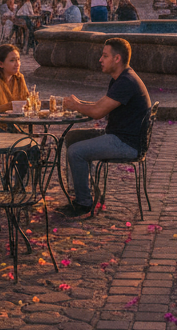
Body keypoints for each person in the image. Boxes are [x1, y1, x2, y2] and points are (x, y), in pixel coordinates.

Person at [60, 38, 151, 217]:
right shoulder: (120, 78)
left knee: (75, 152)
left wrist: (75, 106)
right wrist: (79, 103)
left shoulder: (126, 82)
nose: (100, 60)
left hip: (127, 143)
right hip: (119, 135)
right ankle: (82, 189)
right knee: (71, 138)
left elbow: (97, 112)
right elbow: (100, 105)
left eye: (105, 55)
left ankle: (83, 203)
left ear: (117, 59)